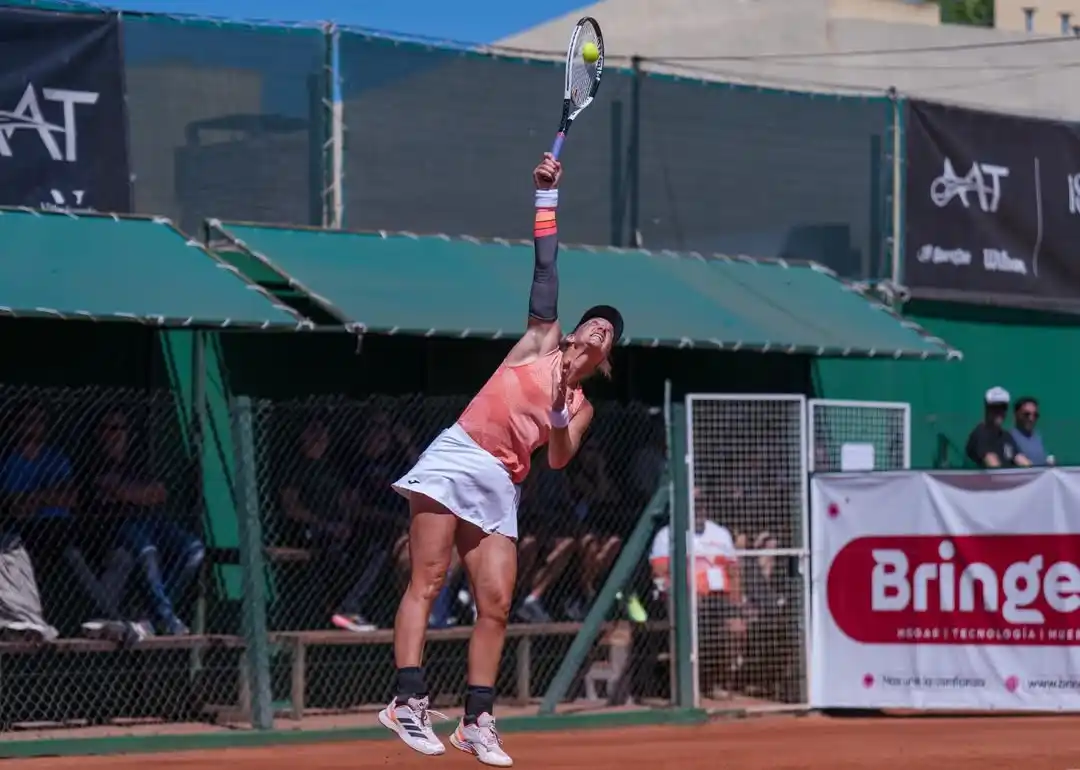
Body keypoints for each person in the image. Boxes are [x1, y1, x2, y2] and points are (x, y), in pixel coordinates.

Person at [379, 152, 624, 766]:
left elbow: (561, 459)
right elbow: (546, 268)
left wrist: (564, 416)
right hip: (458, 456)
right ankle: (406, 700)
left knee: (496, 602)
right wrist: (546, 198)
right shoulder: (540, 341)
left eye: (608, 332)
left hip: (501, 484)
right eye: (593, 322)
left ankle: (477, 720)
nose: (597, 329)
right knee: (428, 579)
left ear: (607, 354)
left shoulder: (584, 404)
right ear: (572, 334)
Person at [965, 387, 1030, 469]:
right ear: (987, 408)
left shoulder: (1006, 436)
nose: (999, 412)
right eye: (995, 407)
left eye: (1003, 407)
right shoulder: (980, 434)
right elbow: (993, 466)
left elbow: (1021, 460)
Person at [1009, 396, 1053, 466]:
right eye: (1026, 414)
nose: (1031, 419)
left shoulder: (1038, 437)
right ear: (1016, 414)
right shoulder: (1009, 437)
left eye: (1035, 415)